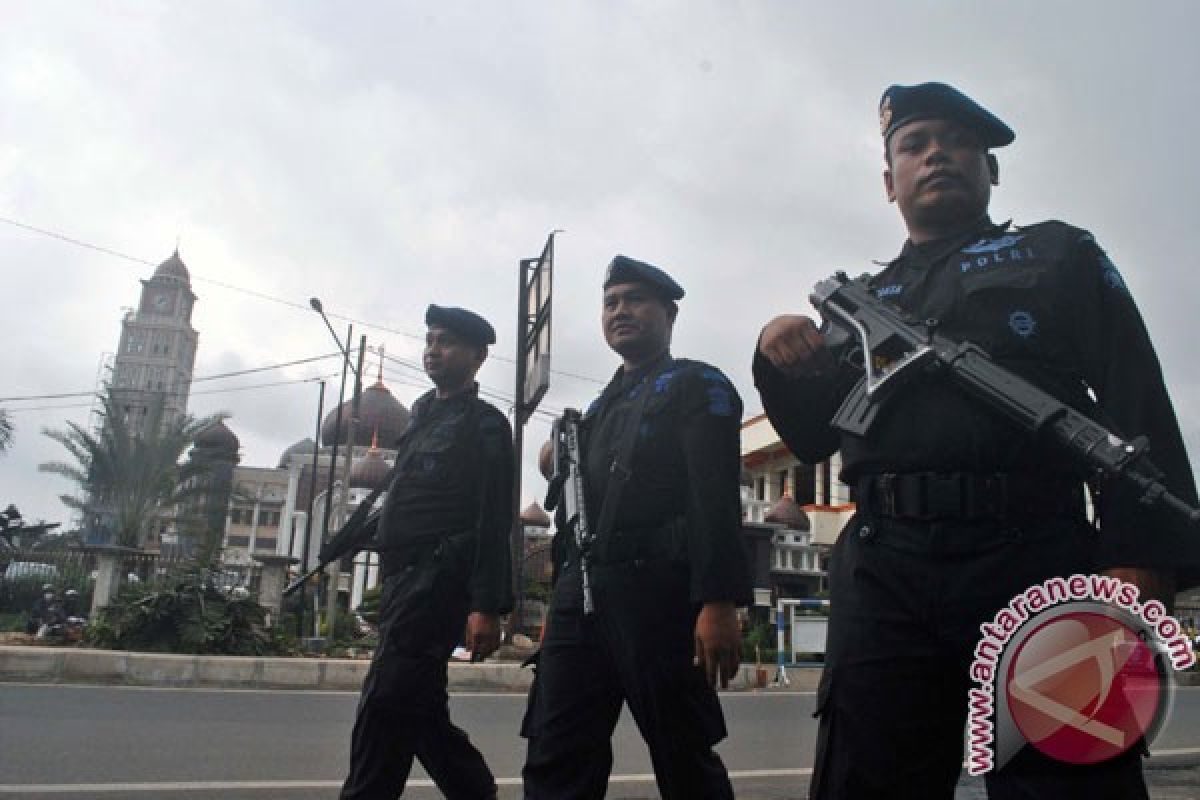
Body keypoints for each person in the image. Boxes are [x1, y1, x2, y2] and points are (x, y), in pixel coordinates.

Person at [754, 81, 1199, 799]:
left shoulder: (1058, 255)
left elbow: (1134, 392)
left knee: (1069, 775)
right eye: (914, 145)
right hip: (884, 570)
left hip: (1037, 555)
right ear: (888, 181)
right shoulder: (860, 304)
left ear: (991, 169)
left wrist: (1139, 554)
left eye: (958, 142)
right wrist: (774, 352)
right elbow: (811, 438)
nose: (937, 155)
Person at [522, 255, 752, 800]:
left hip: (661, 597)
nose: (620, 310)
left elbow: (713, 499)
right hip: (584, 599)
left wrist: (718, 602)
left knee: (683, 756)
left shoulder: (698, 385)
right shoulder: (595, 411)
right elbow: (575, 521)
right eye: (611, 302)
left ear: (668, 315)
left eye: (635, 299)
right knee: (555, 753)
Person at [340, 305, 513, 800]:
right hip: (401, 579)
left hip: (439, 579)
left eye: (448, 342)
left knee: (384, 700)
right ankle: (475, 790)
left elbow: (494, 516)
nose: (434, 349)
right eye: (431, 340)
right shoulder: (419, 412)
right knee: (416, 706)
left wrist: (486, 605)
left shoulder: (486, 425)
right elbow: (409, 495)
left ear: (478, 357)